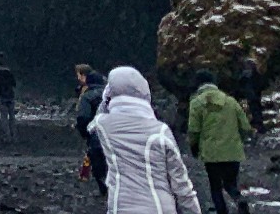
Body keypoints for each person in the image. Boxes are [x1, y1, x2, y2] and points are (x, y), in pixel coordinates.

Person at [88, 66, 199, 214]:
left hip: (121, 207)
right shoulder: (160, 131)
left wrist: (107, 97)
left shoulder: (104, 125)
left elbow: (95, 119)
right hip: (159, 207)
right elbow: (181, 185)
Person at [186, 69, 252, 214]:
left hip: (211, 153)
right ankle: (238, 198)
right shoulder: (230, 101)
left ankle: (222, 211)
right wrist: (239, 140)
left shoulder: (197, 103)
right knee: (230, 183)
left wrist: (194, 147)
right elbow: (245, 126)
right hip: (233, 150)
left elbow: (194, 130)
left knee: (215, 186)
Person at [76, 66, 109, 196]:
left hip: (95, 134)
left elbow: (83, 117)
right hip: (114, 134)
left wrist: (84, 133)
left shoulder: (87, 96)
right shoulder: (111, 96)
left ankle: (102, 186)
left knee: (95, 160)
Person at [0, 56, 18, 145]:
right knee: (12, 117)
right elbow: (14, 83)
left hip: (2, 96)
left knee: (4, 118)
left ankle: (7, 137)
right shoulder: (9, 72)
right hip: (10, 95)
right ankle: (14, 136)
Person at [235, 59, 265, 136]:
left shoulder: (245, 75)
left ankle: (256, 126)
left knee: (254, 111)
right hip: (252, 97)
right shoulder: (251, 75)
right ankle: (257, 126)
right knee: (254, 111)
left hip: (252, 97)